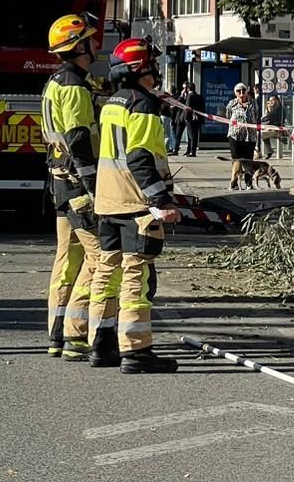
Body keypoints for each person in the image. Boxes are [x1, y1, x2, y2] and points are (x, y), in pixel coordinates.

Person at [89, 38, 180, 374]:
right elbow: (140, 156)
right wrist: (162, 200)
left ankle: (102, 346)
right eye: (152, 64)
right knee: (135, 279)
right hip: (135, 203)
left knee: (106, 274)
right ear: (141, 68)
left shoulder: (113, 102)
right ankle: (137, 351)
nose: (156, 70)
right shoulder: (141, 104)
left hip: (108, 201)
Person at [41, 14, 104, 362]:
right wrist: (94, 183)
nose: (95, 45)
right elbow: (79, 136)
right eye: (90, 40)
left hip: (59, 182)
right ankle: (77, 335)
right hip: (79, 184)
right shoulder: (75, 87)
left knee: (66, 260)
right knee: (97, 260)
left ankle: (56, 333)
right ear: (78, 46)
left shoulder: (55, 82)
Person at [224, 83, 260, 188]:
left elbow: (256, 115)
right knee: (236, 160)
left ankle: (248, 183)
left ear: (247, 91)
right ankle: (234, 182)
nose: (241, 93)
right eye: (238, 91)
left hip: (250, 136)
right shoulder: (232, 103)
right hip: (235, 135)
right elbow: (228, 116)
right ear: (235, 93)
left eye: (243, 90)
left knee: (248, 160)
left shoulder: (253, 103)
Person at [180, 83, 204, 158]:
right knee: (195, 135)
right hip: (198, 119)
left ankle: (192, 151)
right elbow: (202, 107)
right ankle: (190, 150)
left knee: (191, 136)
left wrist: (185, 118)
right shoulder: (199, 96)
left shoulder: (190, 96)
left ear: (188, 89)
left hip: (190, 119)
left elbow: (187, 107)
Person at [262, 94, 286, 160]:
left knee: (260, 135)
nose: (271, 102)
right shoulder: (274, 108)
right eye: (270, 101)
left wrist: (269, 110)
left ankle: (266, 150)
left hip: (277, 129)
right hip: (273, 128)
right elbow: (265, 119)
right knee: (263, 135)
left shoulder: (278, 108)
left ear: (277, 100)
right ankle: (269, 150)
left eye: (272, 100)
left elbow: (269, 118)